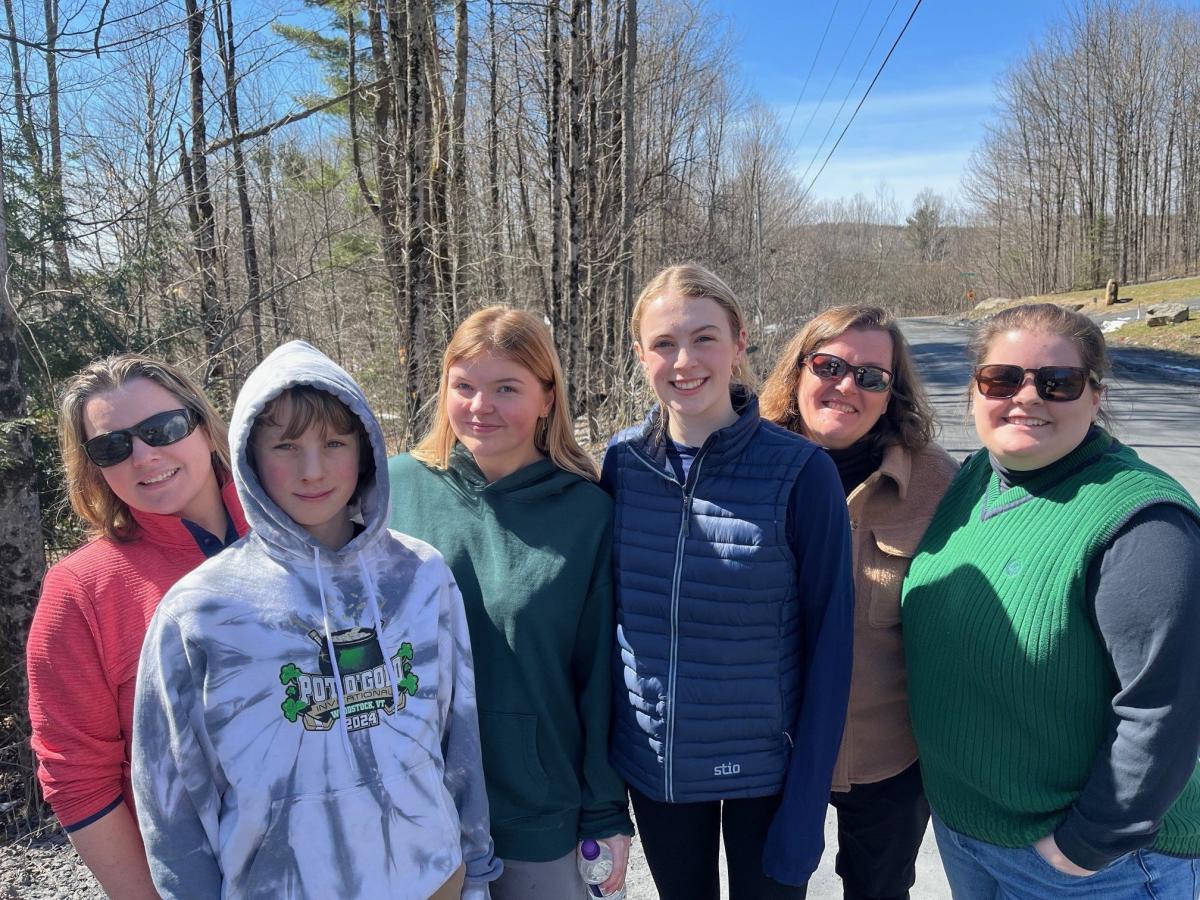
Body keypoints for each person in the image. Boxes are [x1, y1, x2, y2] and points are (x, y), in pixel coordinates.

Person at [131, 341, 498, 899]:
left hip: (431, 878)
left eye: (334, 442)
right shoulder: (200, 610)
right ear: (251, 458)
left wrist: (474, 870)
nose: (312, 469)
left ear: (367, 449)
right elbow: (172, 796)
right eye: (285, 445)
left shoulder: (421, 577)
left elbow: (459, 739)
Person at [901, 303, 1200, 898]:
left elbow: (1165, 710)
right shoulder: (972, 482)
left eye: (1057, 383)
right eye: (1002, 379)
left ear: (1095, 397)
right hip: (969, 833)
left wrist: (1085, 847)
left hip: (1087, 867)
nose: (1027, 397)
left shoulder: (1142, 522)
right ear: (975, 391)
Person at [603, 264, 854, 899]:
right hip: (657, 774)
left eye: (705, 338)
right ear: (640, 354)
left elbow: (832, 647)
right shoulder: (621, 465)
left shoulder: (802, 472)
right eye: (663, 343)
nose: (684, 361)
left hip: (765, 776)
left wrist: (805, 808)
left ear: (740, 341)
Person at [388, 306, 634, 899]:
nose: (481, 406)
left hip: (536, 811)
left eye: (507, 388)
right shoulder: (392, 490)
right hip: (412, 805)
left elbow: (601, 677)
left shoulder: (587, 513)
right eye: (464, 386)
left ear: (548, 397)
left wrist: (604, 813)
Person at [25, 354, 246, 899]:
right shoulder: (79, 591)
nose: (144, 456)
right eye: (112, 446)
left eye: (162, 429)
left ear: (203, 424)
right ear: (92, 464)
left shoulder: (300, 532)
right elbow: (76, 776)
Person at [759, 304, 957, 900]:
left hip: (889, 758)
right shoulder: (747, 468)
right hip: (772, 751)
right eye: (829, 365)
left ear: (891, 393)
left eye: (872, 376)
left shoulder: (939, 484)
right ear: (797, 372)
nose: (847, 386)